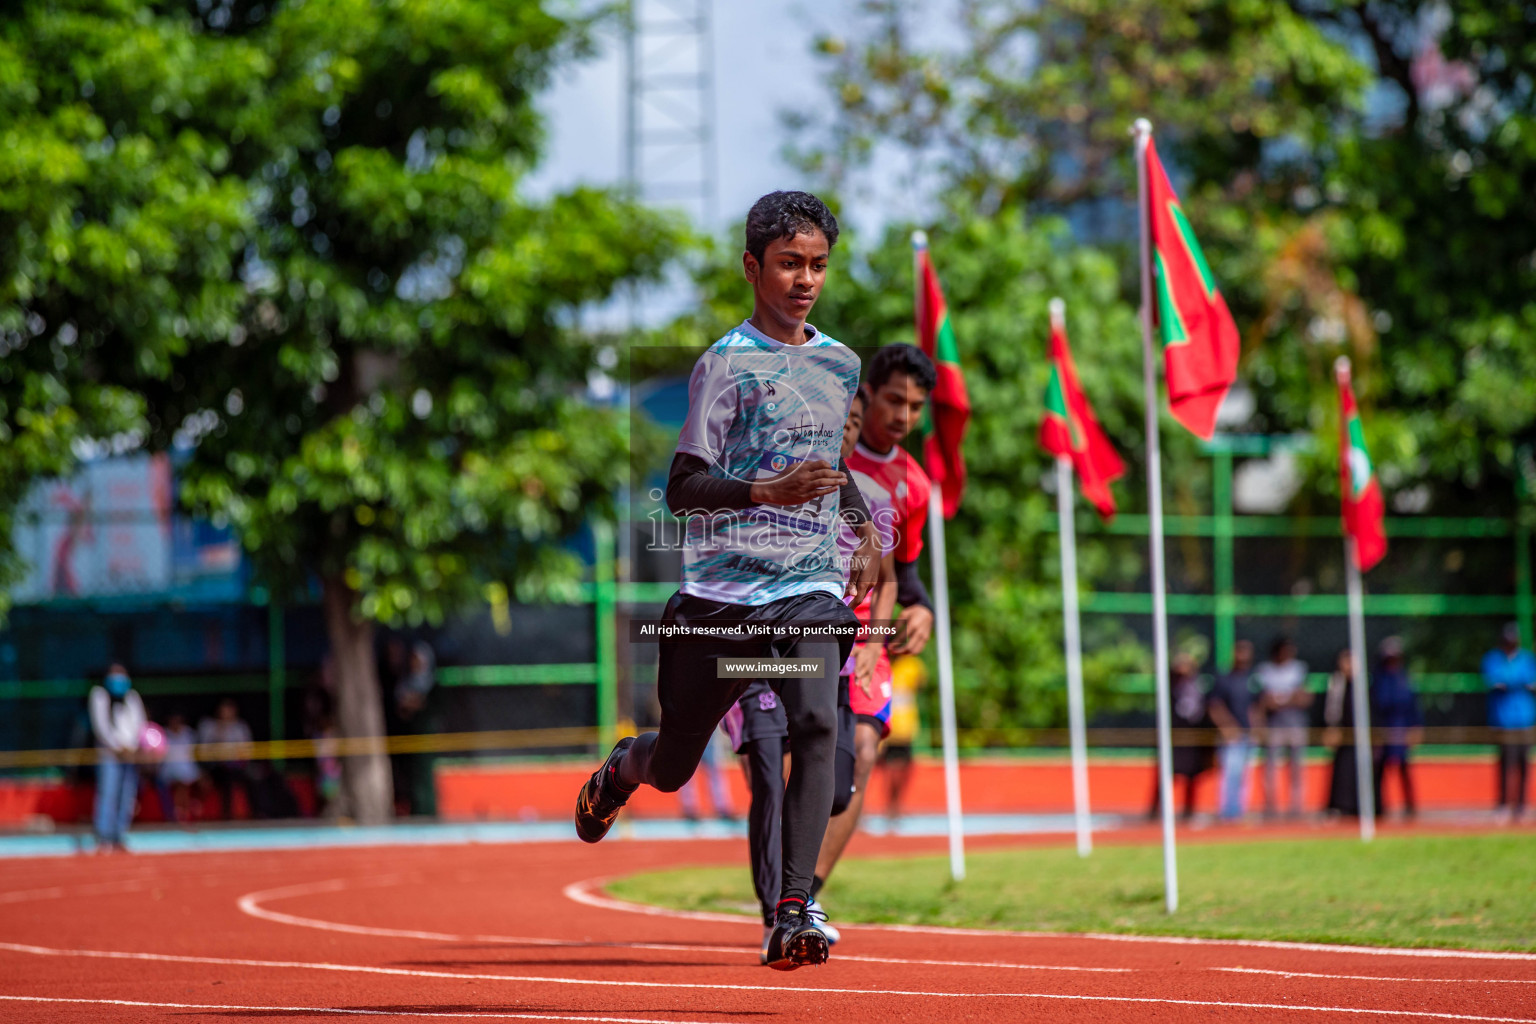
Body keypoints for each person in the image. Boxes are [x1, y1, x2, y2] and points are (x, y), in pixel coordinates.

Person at [573, 190, 879, 972]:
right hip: (720, 608)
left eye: (816, 265)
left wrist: (864, 528)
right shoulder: (725, 363)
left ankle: (792, 907)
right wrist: (763, 494)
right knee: (675, 765)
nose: (804, 279)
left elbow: (828, 463)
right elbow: (681, 488)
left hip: (807, 590)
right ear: (753, 268)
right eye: (788, 264)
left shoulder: (841, 363)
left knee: (815, 721)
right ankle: (623, 768)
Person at [726, 386, 895, 959]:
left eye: (851, 421)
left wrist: (876, 632)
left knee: (836, 782)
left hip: (821, 644)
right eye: (835, 419)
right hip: (746, 639)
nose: (844, 430)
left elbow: (890, 572)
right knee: (768, 775)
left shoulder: (864, 494)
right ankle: (781, 911)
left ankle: (794, 907)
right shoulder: (755, 463)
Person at [808, 342, 939, 933]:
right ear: (868, 394)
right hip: (798, 626)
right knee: (793, 755)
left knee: (862, 749)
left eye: (915, 407)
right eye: (893, 401)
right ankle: (778, 886)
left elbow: (904, 574)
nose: (903, 417)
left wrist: (924, 610)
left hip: (866, 638)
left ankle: (803, 897)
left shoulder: (916, 484)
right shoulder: (825, 450)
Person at [1149, 652, 1212, 822]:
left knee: (1192, 776)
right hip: (1173, 738)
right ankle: (1155, 812)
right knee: (1166, 775)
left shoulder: (1198, 687)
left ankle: (1189, 810)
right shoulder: (1169, 688)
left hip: (1192, 739)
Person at [1253, 636, 1311, 818]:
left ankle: (1297, 807)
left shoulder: (1298, 669)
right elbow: (1264, 701)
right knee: (1271, 768)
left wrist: (1282, 700)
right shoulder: (1264, 671)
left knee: (1297, 767)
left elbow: (1304, 697)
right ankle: (1271, 807)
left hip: (1295, 724)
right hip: (1274, 725)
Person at [89, 664, 146, 851]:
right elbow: (101, 727)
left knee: (127, 795)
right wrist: (117, 747)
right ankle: (104, 836)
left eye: (122, 674)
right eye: (115, 675)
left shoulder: (132, 697)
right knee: (108, 793)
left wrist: (135, 747)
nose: (119, 679)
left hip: (130, 753)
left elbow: (140, 724)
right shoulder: (99, 695)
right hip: (109, 753)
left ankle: (119, 835)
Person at [1483, 622, 1535, 822]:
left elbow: (1529, 680)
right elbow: (1497, 681)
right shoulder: (1493, 658)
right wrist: (1518, 682)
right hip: (1503, 721)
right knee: (1505, 764)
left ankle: (1521, 805)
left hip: (1525, 720)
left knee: (1524, 763)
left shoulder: (1526, 659)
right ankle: (1503, 804)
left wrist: (1511, 682)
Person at [1371, 636, 1421, 818]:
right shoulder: (1378, 678)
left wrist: (1415, 727)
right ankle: (1379, 806)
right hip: (1384, 728)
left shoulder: (1405, 677)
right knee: (1380, 769)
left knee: (1404, 768)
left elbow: (1413, 705)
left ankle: (1410, 805)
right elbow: (1376, 705)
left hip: (1402, 728)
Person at [1206, 639, 1256, 821]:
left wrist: (1257, 728)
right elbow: (1214, 705)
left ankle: (1240, 812)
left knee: (1246, 776)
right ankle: (1227, 813)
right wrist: (1227, 727)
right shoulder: (1224, 678)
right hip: (1230, 736)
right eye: (1240, 651)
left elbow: (1258, 705)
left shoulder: (1252, 679)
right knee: (1230, 774)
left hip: (1249, 734)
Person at [881, 654, 926, 829]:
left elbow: (920, 686)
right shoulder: (881, 661)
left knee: (904, 770)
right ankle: (870, 812)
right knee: (879, 770)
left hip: (905, 728)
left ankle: (896, 808)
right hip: (884, 727)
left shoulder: (913, 665)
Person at [199, 698, 258, 819]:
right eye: (223, 711)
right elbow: (203, 751)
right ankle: (228, 815)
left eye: (229, 711)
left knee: (255, 777)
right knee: (227, 778)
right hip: (215, 766)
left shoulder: (240, 727)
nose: (226, 714)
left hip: (237, 765)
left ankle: (258, 813)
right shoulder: (208, 725)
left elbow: (248, 750)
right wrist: (220, 730)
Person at [1322, 649, 1362, 816]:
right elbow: (1331, 710)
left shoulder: (1362, 684)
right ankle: (1339, 806)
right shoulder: (1336, 683)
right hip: (1341, 735)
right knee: (1341, 772)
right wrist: (1332, 728)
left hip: (1359, 735)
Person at [156, 711, 201, 822]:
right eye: (173, 720)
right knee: (174, 783)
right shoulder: (163, 734)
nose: (175, 723)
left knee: (185, 782)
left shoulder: (189, 734)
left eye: (178, 720)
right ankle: (176, 814)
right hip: (168, 772)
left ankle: (185, 813)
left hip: (187, 772)